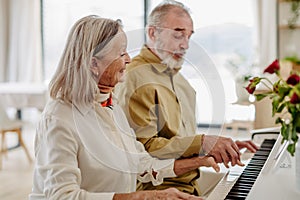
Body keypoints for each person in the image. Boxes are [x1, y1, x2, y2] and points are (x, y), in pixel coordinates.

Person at [29, 15, 223, 200]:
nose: (129, 60)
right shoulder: (59, 119)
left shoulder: (110, 105)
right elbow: (63, 196)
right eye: (122, 54)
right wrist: (146, 196)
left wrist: (197, 161)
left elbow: (140, 163)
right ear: (93, 64)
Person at [115, 0, 258, 196]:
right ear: (152, 33)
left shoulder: (181, 80)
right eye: (178, 34)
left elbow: (178, 142)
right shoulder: (134, 77)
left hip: (192, 183)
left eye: (189, 36)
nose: (185, 44)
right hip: (159, 190)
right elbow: (143, 149)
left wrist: (218, 147)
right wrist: (202, 143)